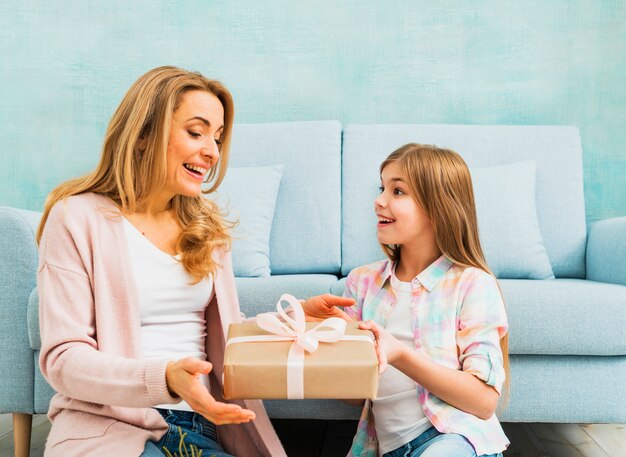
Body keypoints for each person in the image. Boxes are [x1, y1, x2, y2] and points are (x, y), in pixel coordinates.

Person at [36, 66, 302, 456]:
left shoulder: (206, 228)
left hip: (202, 426)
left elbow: (226, 334)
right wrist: (165, 378)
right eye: (196, 132)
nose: (211, 151)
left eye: (217, 137)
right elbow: (64, 359)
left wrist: (296, 319)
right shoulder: (76, 217)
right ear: (143, 135)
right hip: (111, 426)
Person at [303, 144, 510, 456]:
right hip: (384, 447)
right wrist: (329, 339)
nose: (379, 201)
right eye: (382, 187)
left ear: (438, 208)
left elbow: (483, 401)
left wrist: (399, 354)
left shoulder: (472, 284)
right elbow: (355, 397)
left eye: (397, 191)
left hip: (452, 437)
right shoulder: (362, 282)